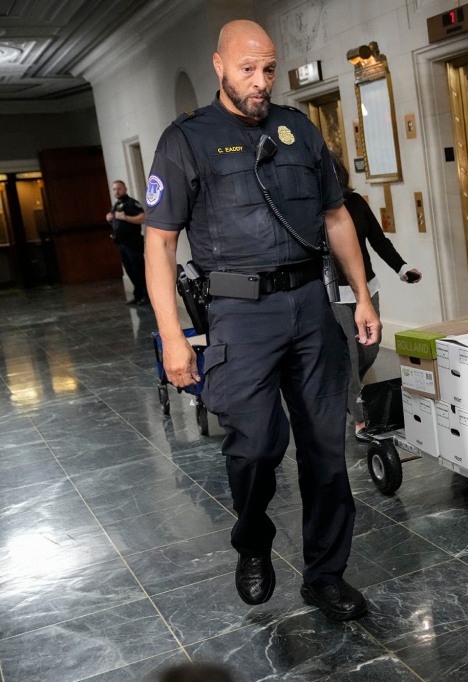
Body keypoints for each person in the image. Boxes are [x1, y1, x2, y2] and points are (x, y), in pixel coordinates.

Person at [144, 19, 380, 621]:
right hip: (239, 314)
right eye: (248, 68)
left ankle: (326, 575)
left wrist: (363, 296)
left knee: (327, 450)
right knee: (253, 448)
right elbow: (161, 243)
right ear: (219, 65)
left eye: (269, 68)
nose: (260, 80)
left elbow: (336, 218)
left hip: (310, 307)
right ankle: (252, 544)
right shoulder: (186, 140)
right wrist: (173, 336)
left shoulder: (297, 129)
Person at [328, 156, 421, 442]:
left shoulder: (355, 203)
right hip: (332, 294)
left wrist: (402, 268)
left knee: (369, 350)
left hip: (366, 289)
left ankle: (344, 393)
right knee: (349, 356)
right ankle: (360, 419)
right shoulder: (310, 211)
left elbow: (379, 241)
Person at [106, 180, 148, 305]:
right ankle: (138, 294)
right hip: (122, 244)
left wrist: (125, 217)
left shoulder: (131, 203)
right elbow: (116, 221)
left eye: (119, 188)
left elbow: (143, 218)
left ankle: (147, 296)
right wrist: (109, 218)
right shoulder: (116, 205)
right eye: (114, 189)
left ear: (125, 189)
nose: (116, 191)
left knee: (139, 270)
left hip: (133, 243)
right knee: (130, 270)